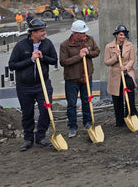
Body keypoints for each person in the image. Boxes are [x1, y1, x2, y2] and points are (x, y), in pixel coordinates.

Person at [8, 18, 58, 151]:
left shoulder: (47, 44)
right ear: (33, 32)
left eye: (44, 30)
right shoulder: (21, 46)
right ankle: (28, 139)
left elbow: (54, 60)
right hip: (25, 86)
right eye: (42, 31)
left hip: (43, 84)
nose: (44, 33)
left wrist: (43, 57)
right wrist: (30, 60)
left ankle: (41, 136)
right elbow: (12, 65)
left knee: (46, 110)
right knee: (27, 113)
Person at [59, 20, 100, 137]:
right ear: (75, 33)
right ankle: (72, 126)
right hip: (72, 79)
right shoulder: (65, 45)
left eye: (85, 32)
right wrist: (79, 56)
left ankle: (87, 122)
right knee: (71, 104)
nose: (84, 35)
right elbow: (63, 62)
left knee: (87, 101)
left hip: (86, 77)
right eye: (82, 33)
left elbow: (97, 51)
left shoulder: (89, 39)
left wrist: (88, 52)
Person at [104, 25, 138, 127]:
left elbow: (132, 59)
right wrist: (115, 57)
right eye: (120, 35)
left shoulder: (130, 45)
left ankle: (131, 115)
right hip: (115, 75)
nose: (122, 37)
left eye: (124, 35)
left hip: (127, 73)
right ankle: (119, 120)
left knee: (130, 93)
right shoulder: (109, 46)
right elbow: (106, 62)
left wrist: (126, 67)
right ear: (117, 35)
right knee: (117, 98)